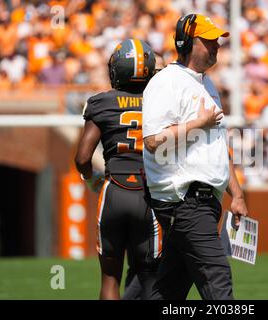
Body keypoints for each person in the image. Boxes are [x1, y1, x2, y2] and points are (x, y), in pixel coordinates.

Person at [142, 14, 248, 300]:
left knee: (169, 290)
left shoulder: (206, 84)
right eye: (209, 40)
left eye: (217, 41)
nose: (216, 46)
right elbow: (152, 141)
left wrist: (235, 194)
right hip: (184, 201)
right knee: (217, 276)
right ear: (187, 42)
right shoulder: (166, 82)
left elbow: (217, 145)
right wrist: (196, 125)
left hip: (204, 201)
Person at [75, 39, 161, 300]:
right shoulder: (161, 100)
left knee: (110, 278)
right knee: (151, 277)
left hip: (114, 192)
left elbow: (82, 158)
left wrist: (94, 181)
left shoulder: (102, 103)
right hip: (150, 194)